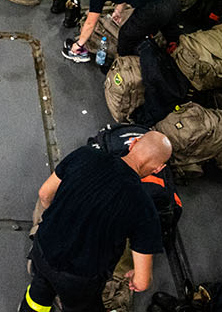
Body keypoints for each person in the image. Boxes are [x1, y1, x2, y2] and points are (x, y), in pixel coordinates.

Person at [19, 132, 172, 312]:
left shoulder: (85, 155)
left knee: (40, 289)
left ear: (133, 143)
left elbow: (45, 194)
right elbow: (142, 282)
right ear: (158, 168)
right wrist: (135, 278)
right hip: (79, 278)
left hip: (43, 247)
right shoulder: (144, 208)